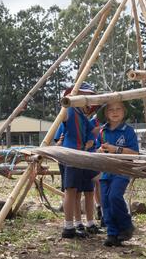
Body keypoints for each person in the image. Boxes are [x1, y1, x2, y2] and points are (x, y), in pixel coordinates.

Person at [59, 83, 99, 238]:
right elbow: (62, 117)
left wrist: (91, 138)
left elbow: (91, 132)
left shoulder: (83, 116)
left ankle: (79, 224)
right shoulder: (69, 110)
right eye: (81, 95)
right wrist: (66, 102)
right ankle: (68, 226)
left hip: (82, 156)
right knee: (71, 190)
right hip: (71, 155)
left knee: (79, 191)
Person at [96, 101, 139, 247]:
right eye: (111, 109)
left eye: (118, 109)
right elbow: (95, 151)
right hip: (105, 171)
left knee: (114, 196)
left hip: (121, 169)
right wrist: (100, 151)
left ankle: (126, 225)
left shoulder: (128, 131)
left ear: (124, 111)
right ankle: (112, 233)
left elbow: (134, 153)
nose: (115, 112)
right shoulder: (102, 132)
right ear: (106, 114)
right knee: (105, 202)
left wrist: (116, 149)